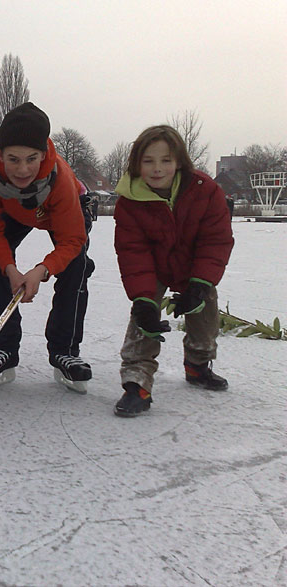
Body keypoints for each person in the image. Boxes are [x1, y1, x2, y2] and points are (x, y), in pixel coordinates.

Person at [0, 102, 95, 391]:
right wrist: (10, 269)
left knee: (76, 266)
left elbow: (72, 240)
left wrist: (42, 270)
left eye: (31, 158)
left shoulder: (61, 178)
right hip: (15, 211)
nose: (23, 169)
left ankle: (65, 351)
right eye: (13, 159)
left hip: (60, 214)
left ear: (43, 154)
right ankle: (2, 348)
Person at [113, 125, 234, 417]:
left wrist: (200, 284)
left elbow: (215, 240)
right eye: (148, 161)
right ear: (136, 163)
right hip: (152, 267)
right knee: (144, 320)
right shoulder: (130, 201)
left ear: (179, 161)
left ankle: (198, 364)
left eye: (165, 160)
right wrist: (143, 300)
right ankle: (136, 384)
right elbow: (133, 252)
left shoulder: (205, 191)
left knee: (204, 315)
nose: (157, 169)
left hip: (195, 266)